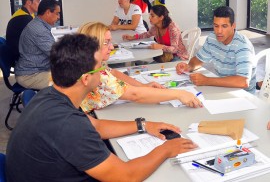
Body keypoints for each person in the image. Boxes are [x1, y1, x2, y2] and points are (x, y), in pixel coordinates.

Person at [6, 34, 198, 182]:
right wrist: (166, 149)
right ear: (86, 79)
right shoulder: (68, 125)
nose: (104, 70)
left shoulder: (49, 95)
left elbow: (96, 127)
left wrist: (143, 125)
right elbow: (127, 176)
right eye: (100, 67)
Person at [78, 22, 202, 112]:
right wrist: (179, 94)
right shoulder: (98, 76)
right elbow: (135, 95)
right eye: (106, 43)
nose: (111, 47)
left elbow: (114, 73)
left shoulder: (91, 65)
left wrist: (142, 85)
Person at [176, 6, 256, 94]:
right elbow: (198, 60)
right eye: (216, 26)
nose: (219, 31)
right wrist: (189, 67)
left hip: (243, 95)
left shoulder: (242, 45)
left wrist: (206, 80)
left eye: (224, 26)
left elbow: (243, 81)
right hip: (222, 88)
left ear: (233, 26)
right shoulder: (212, 38)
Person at [15, 0, 60, 90]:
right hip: (30, 75)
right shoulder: (39, 30)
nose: (58, 17)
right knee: (68, 81)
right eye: (57, 13)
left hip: (38, 69)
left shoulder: (40, 24)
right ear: (48, 12)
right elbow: (57, 54)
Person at [122, 5, 188, 62]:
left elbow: (175, 49)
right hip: (164, 56)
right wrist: (133, 37)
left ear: (161, 17)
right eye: (150, 15)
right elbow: (147, 34)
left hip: (178, 56)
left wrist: (161, 46)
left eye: (152, 16)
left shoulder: (173, 28)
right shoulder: (155, 27)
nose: (149, 18)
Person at [6, 0, 40, 66]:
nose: (39, 4)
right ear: (29, 2)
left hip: (22, 53)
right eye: (38, 1)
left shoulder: (25, 14)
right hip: (20, 59)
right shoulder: (24, 18)